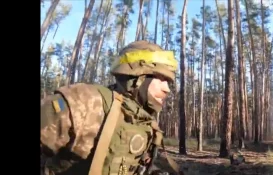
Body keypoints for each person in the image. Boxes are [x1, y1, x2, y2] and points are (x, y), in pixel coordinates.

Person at [40, 41, 181, 175]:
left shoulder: (144, 122)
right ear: (138, 77)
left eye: (168, 82)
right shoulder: (84, 102)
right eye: (161, 78)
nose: (167, 89)